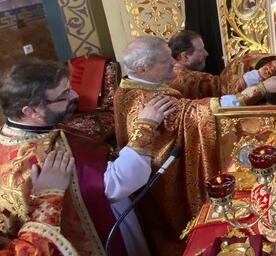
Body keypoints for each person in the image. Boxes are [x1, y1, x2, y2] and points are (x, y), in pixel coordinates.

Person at [114, 36, 276, 254]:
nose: (174, 64)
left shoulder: (128, 87)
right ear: (142, 68)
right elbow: (198, 114)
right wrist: (260, 89)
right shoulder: (147, 99)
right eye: (166, 60)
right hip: (165, 183)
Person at [0, 58, 174, 255]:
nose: (74, 95)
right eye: (64, 95)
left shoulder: (10, 137)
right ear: (30, 111)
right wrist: (146, 126)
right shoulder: (46, 155)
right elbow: (118, 183)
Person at [166, 30, 276, 99]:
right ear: (184, 56)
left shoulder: (173, 74)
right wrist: (275, 65)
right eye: (201, 50)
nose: (206, 53)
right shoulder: (186, 79)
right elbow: (226, 88)